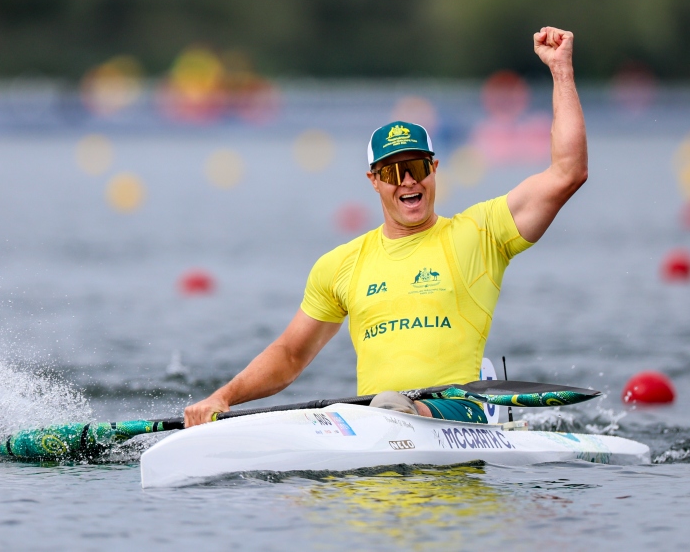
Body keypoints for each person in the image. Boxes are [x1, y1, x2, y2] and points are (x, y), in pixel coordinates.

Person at [184, 27, 587, 426]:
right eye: (393, 171)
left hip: (459, 412)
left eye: (416, 167)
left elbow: (567, 172)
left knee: (391, 407)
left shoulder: (481, 233)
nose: (407, 181)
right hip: (376, 419)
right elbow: (290, 354)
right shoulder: (339, 265)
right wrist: (222, 397)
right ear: (373, 181)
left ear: (434, 170)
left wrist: (560, 71)